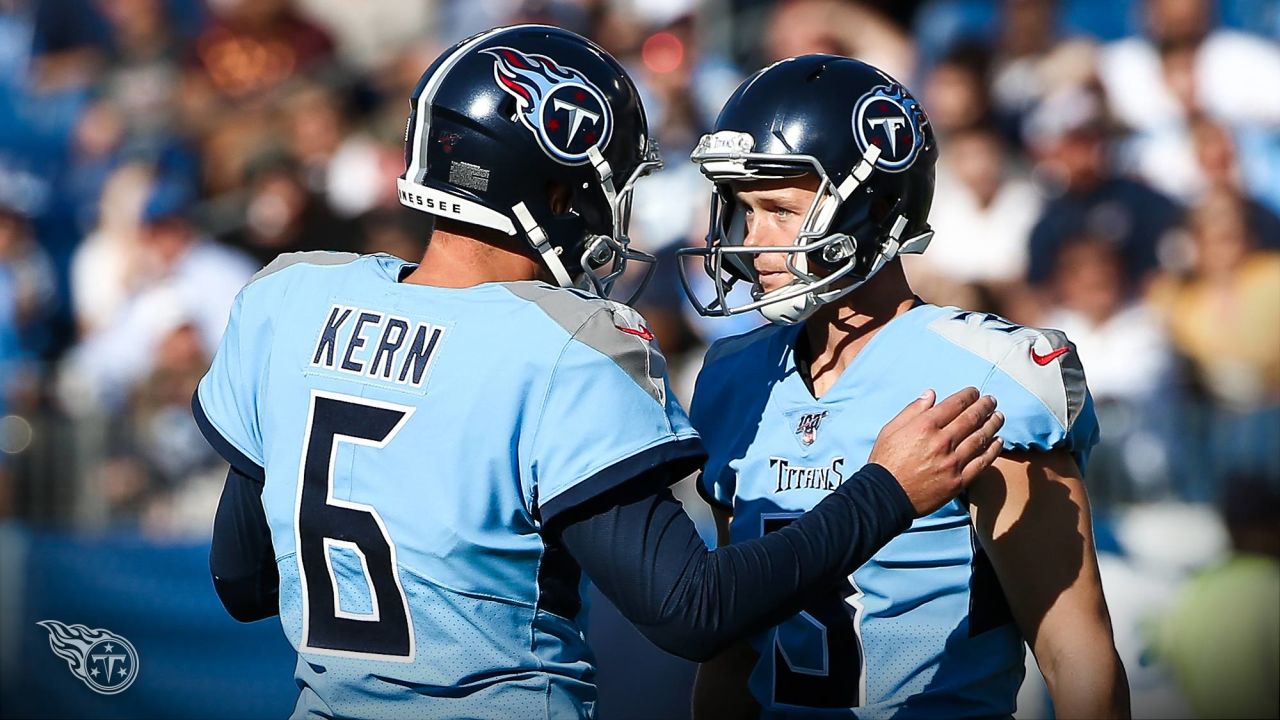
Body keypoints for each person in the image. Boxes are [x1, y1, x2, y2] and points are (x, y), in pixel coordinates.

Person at [192, 27, 1005, 719]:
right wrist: (887, 488)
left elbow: (241, 578)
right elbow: (694, 611)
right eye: (603, 185)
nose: (606, 211)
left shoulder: (289, 298)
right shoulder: (567, 344)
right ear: (552, 186)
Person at [679, 55, 1129, 719]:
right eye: (744, 210)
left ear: (874, 206)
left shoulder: (985, 372)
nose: (752, 241)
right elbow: (734, 648)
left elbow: (1074, 649)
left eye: (779, 209)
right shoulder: (733, 376)